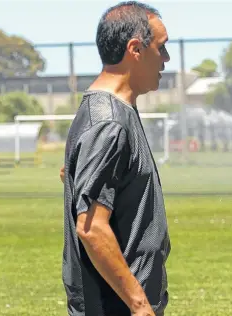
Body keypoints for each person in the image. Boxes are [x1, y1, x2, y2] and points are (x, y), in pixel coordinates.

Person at [60, 2, 172, 316]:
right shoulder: (108, 122)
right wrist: (139, 305)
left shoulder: (112, 112)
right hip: (116, 308)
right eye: (161, 49)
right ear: (135, 49)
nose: (166, 59)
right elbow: (92, 227)